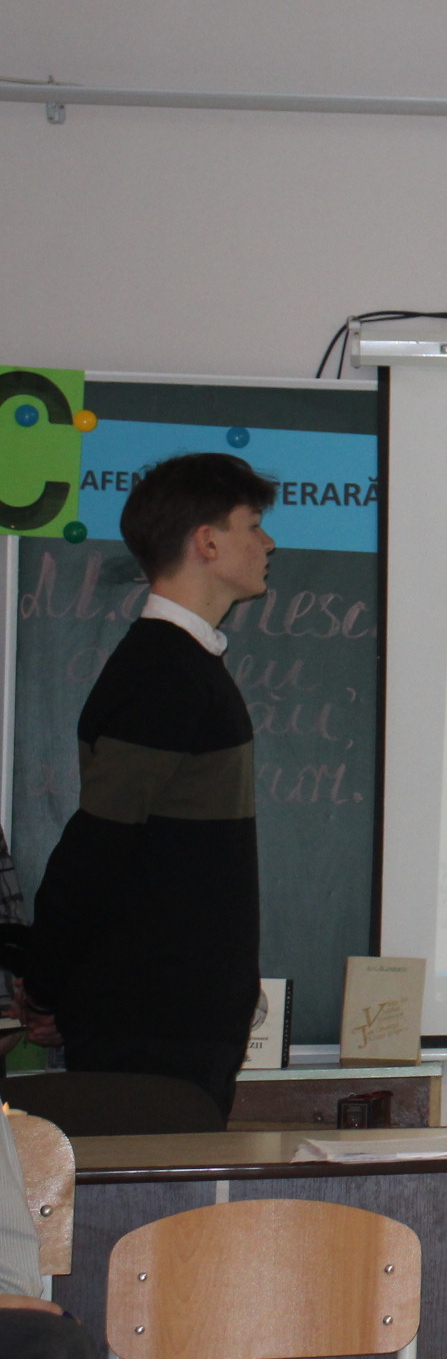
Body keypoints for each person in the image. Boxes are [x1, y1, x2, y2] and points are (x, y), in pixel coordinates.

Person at [20, 453, 276, 1117]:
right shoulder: (165, 674)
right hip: (156, 1033)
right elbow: (97, 847)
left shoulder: (183, 667)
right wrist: (46, 987)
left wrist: (55, 986)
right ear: (207, 542)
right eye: (253, 525)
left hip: (169, 1023)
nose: (268, 543)